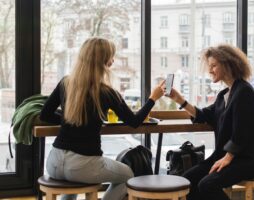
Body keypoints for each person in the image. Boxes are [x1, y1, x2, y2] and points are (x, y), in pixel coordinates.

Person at [40, 37, 165, 200]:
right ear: (106, 61)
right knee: (128, 175)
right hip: (82, 166)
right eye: (111, 56)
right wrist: (153, 98)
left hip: (54, 162)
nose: (113, 60)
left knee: (74, 181)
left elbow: (45, 115)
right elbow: (134, 122)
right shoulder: (107, 92)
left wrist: (69, 119)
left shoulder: (65, 83)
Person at [167, 44, 254, 200]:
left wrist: (227, 158)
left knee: (207, 185)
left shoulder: (244, 91)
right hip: (226, 156)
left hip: (247, 159)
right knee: (188, 179)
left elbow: (242, 131)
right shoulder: (223, 95)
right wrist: (179, 99)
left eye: (214, 65)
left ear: (227, 65)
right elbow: (203, 115)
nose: (210, 70)